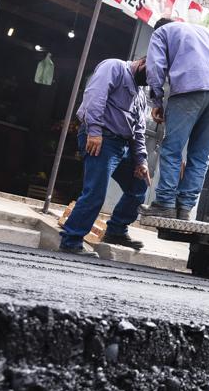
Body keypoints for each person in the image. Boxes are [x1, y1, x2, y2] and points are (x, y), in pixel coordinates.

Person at [143, 18, 209, 219]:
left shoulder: (161, 33)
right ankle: (185, 208)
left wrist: (157, 101)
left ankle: (165, 203)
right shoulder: (208, 34)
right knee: (200, 156)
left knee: (172, 148)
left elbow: (155, 67)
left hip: (190, 88)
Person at [59, 57, 150, 254]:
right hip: (102, 138)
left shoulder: (141, 93)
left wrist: (141, 160)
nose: (151, 81)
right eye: (151, 75)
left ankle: (116, 230)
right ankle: (71, 241)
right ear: (143, 62)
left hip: (123, 144)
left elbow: (140, 129)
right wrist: (94, 131)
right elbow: (95, 96)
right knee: (96, 191)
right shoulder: (114, 67)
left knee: (139, 185)